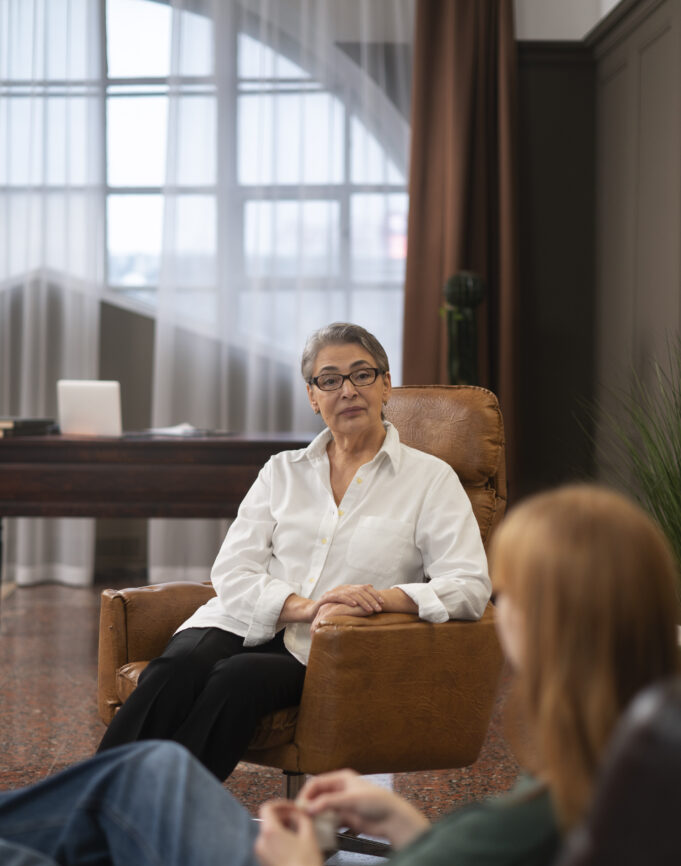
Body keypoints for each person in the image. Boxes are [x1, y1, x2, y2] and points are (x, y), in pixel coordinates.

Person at [1, 484, 678, 866]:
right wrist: (414, 833)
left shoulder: (513, 831)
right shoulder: (617, 791)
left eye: (512, 597)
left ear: (541, 629)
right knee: (156, 770)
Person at [97, 321, 491, 779]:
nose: (348, 390)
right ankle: (87, 800)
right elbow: (233, 570)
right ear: (312, 396)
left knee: (236, 680)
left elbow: (469, 586)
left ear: (386, 385)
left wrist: (379, 601)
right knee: (174, 671)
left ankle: (164, 810)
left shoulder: (431, 479)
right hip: (242, 619)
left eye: (362, 375)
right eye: (330, 380)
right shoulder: (281, 471)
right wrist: (305, 606)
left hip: (330, 645)